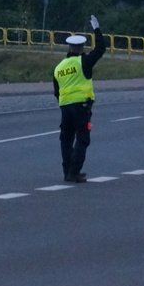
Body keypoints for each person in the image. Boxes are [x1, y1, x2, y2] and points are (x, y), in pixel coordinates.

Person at [53, 16, 107, 183]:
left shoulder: (59, 67)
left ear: (69, 47)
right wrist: (96, 29)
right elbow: (100, 49)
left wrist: (64, 103)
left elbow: (57, 91)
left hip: (65, 107)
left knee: (66, 139)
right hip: (82, 106)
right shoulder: (83, 61)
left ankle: (66, 171)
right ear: (82, 47)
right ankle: (74, 171)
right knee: (82, 138)